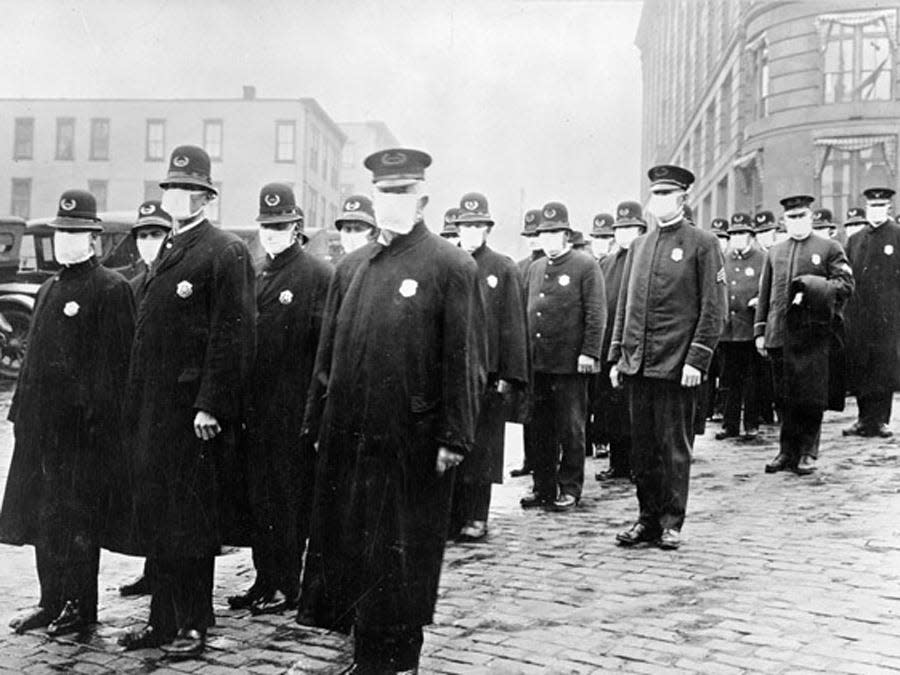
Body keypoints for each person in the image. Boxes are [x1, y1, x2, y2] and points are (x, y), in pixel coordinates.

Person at [297, 148, 485, 674]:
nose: (392, 202)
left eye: (402, 193)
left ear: (422, 198)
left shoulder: (450, 265)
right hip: (351, 437)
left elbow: (464, 358)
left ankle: (400, 661)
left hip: (411, 440)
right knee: (355, 549)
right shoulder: (352, 268)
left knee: (402, 555)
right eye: (384, 194)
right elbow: (327, 356)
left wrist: (455, 435)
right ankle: (366, 657)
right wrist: (317, 420)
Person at [119, 146, 255, 656]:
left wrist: (211, 404)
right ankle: (162, 621)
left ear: (205, 196)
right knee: (160, 517)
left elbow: (233, 334)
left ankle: (194, 623)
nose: (176, 197)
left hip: (192, 414)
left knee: (192, 521)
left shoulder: (223, 251)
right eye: (170, 189)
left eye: (186, 189)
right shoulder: (170, 250)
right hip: (155, 412)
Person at [0, 189, 135, 635]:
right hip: (40, 431)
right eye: (62, 233)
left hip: (82, 435)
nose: (67, 241)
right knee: (44, 517)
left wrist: (97, 426)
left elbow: (115, 369)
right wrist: (19, 414)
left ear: (94, 239)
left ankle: (80, 606)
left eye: (76, 233)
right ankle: (50, 599)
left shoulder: (110, 289)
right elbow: (34, 360)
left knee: (78, 519)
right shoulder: (48, 288)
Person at [227, 184, 333, 616]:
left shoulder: (316, 276)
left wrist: (315, 412)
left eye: (280, 226)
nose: (271, 234)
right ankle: (263, 578)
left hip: (292, 409)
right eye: (266, 227)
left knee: (287, 500)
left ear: (297, 227)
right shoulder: (255, 272)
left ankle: (287, 584)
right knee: (259, 499)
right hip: (255, 408)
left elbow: (324, 353)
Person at [610, 165, 727, 550]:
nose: (656, 201)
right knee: (641, 448)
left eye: (664, 195)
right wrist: (617, 357)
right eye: (653, 194)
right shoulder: (640, 246)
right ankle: (646, 520)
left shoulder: (702, 244)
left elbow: (714, 309)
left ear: (682, 199)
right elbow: (626, 307)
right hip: (638, 365)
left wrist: (697, 359)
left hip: (677, 366)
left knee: (673, 447)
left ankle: (672, 521)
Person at [755, 195, 854, 476]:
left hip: (812, 335)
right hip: (779, 334)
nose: (797, 221)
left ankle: (808, 451)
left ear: (810, 217)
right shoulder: (775, 251)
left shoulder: (829, 248)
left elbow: (846, 284)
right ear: (784, 221)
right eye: (791, 217)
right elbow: (766, 293)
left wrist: (815, 286)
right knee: (784, 396)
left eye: (801, 216)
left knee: (810, 396)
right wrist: (761, 330)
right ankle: (786, 451)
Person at [449, 192, 528, 542]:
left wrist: (510, 375)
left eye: (477, 226)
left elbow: (513, 322)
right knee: (453, 446)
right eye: (465, 226)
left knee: (483, 449)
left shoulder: (501, 267)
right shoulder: (447, 264)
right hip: (451, 375)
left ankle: (476, 515)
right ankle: (451, 515)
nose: (470, 232)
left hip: (487, 375)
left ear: (487, 229)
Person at [521, 201, 605, 512]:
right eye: (544, 233)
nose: (549, 239)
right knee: (540, 429)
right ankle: (543, 486)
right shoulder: (535, 268)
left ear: (567, 235)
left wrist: (589, 352)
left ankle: (570, 487)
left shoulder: (585, 265)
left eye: (555, 232)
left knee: (571, 428)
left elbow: (596, 313)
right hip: (540, 364)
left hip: (570, 364)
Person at [119, 200, 173, 599]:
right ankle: (151, 569)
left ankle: (162, 571)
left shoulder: (172, 280)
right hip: (136, 398)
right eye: (143, 235)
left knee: (165, 492)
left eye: (156, 234)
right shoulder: (131, 286)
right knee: (143, 489)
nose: (149, 242)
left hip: (167, 401)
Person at [595, 201, 646, 482]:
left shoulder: (645, 258)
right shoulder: (607, 263)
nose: (625, 233)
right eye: (620, 228)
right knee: (611, 407)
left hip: (636, 345)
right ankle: (618, 463)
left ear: (640, 229)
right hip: (609, 345)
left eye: (630, 228)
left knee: (635, 410)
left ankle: (638, 465)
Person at [843, 187, 900, 439]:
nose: (876, 211)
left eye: (881, 206)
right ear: (866, 209)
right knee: (861, 364)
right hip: (859, 314)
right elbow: (845, 273)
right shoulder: (856, 239)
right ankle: (863, 418)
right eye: (872, 207)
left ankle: (881, 420)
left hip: (888, 314)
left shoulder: (897, 235)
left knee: (884, 364)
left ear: (888, 208)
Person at [715, 213, 765, 441]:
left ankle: (751, 424)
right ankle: (730, 424)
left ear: (751, 236)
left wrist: (759, 300)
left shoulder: (763, 258)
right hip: (728, 330)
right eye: (733, 234)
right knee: (728, 379)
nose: (737, 238)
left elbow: (768, 288)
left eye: (741, 233)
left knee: (752, 380)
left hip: (750, 327)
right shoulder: (723, 259)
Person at [510, 208, 545, 479]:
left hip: (549, 351)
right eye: (529, 235)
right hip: (526, 348)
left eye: (537, 234)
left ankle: (548, 463)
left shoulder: (552, 264)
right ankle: (529, 459)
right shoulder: (521, 267)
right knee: (527, 409)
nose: (533, 240)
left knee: (549, 415)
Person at [587, 212, 616, 458]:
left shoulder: (615, 264)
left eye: (606, 238)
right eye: (597, 238)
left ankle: (602, 439)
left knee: (605, 395)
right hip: (587, 342)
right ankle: (587, 439)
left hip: (608, 341)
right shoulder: (586, 263)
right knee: (586, 395)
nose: (601, 243)